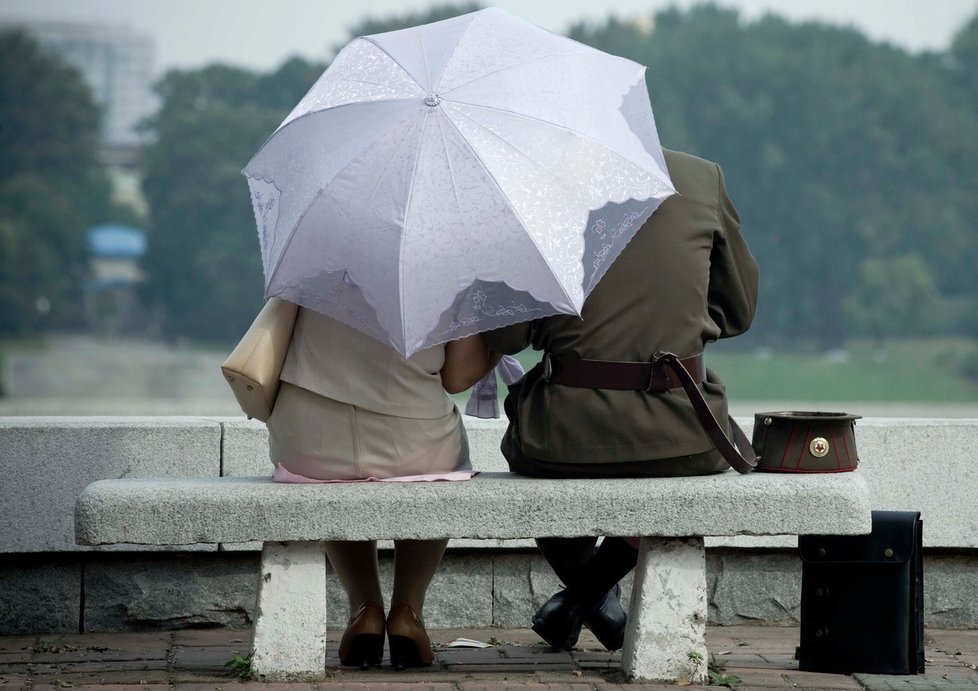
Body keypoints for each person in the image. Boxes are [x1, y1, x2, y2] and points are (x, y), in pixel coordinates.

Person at [482, 148, 759, 651]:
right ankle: (593, 597)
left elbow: (506, 339)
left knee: (527, 437)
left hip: (560, 438)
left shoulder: (535, 183)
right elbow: (737, 312)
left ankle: (585, 595)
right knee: (653, 466)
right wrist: (676, 321)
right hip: (684, 433)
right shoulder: (701, 178)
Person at [267, 308, 497, 669]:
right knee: (439, 469)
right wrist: (496, 347)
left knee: (335, 477)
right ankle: (407, 611)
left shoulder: (312, 262)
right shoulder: (446, 266)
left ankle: (364, 609)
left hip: (308, 442)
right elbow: (457, 377)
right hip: (412, 443)